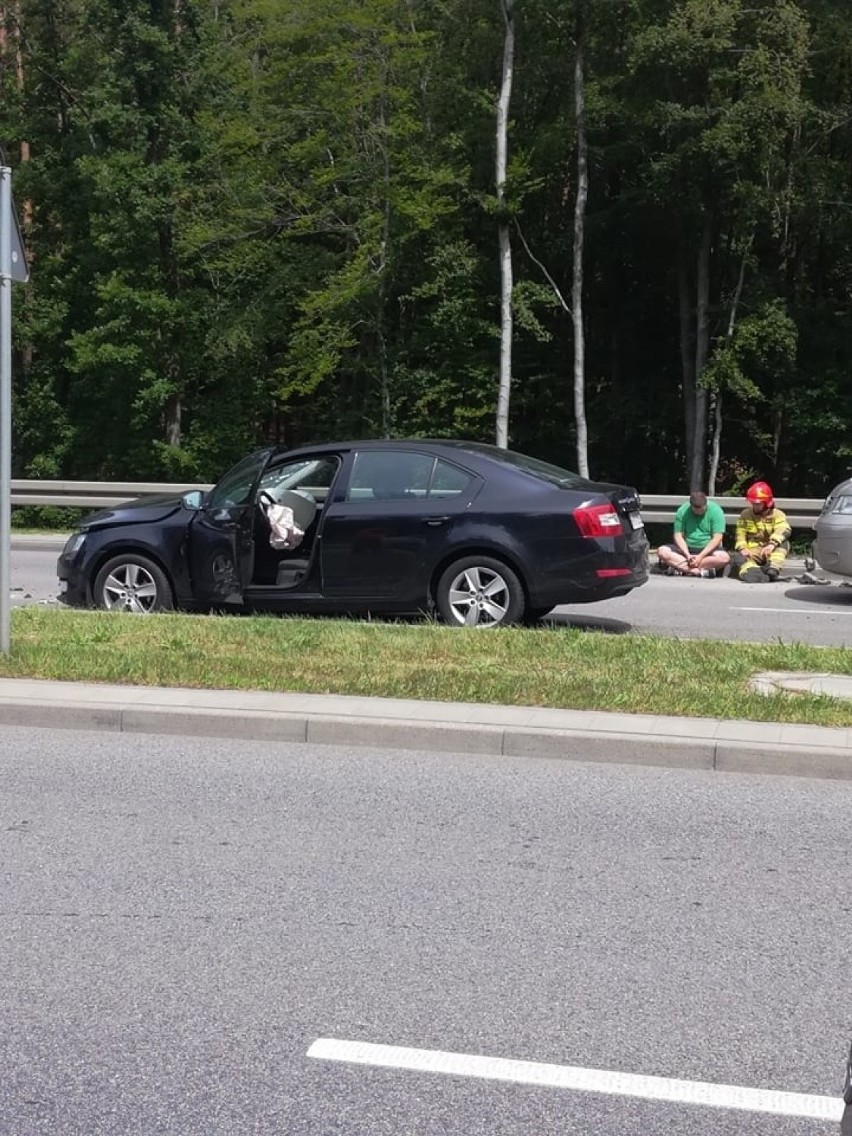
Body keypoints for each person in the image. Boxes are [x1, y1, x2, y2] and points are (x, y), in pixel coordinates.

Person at [656, 491, 731, 578]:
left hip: (707, 549)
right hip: (686, 549)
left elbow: (717, 538)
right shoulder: (683, 511)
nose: (699, 512)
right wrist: (687, 554)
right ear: (691, 506)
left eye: (702, 509)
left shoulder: (716, 511)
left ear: (706, 504)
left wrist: (700, 556)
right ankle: (697, 572)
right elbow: (678, 535)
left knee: (724, 558)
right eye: (696, 510)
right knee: (662, 551)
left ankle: (682, 569)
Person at [733, 480, 792, 582]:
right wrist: (743, 548)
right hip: (753, 551)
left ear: (766, 502)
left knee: (784, 543)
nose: (754, 506)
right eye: (752, 503)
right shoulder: (746, 514)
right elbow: (740, 534)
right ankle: (752, 572)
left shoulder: (778, 514)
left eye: (757, 503)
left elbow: (783, 530)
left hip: (771, 550)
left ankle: (773, 569)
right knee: (738, 557)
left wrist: (772, 544)